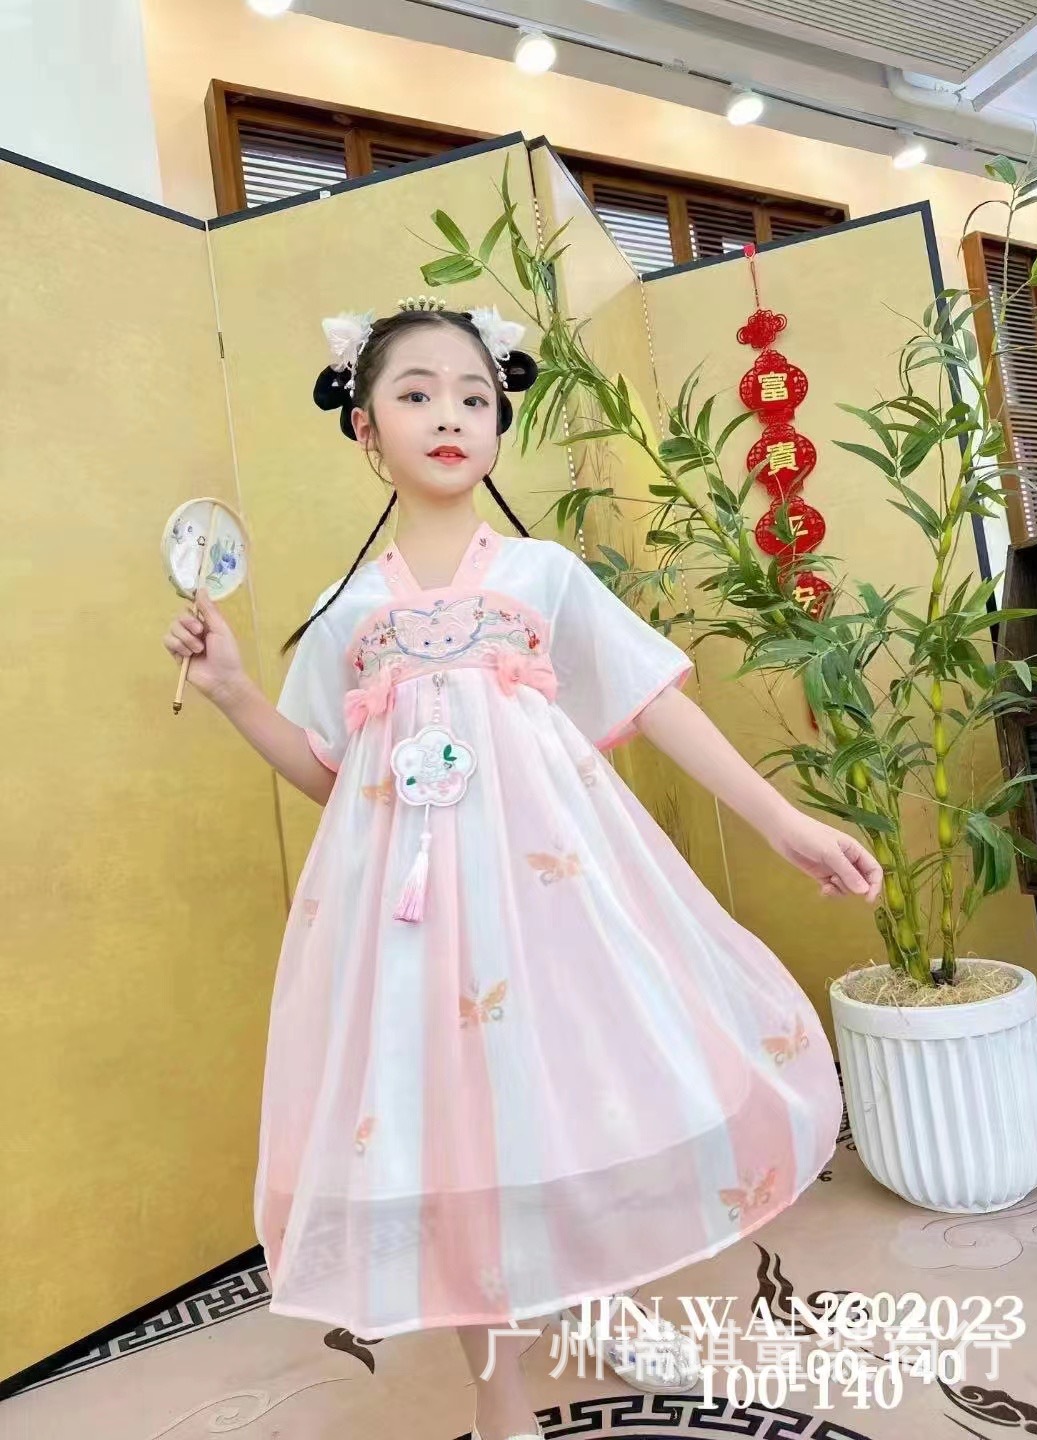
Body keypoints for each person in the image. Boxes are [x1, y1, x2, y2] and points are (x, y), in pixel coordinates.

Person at [163, 296, 883, 1440]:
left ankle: (597, 1291)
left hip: (552, 897)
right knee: (452, 1137)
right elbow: (332, 776)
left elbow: (656, 702)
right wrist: (237, 692)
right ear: (365, 427)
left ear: (499, 423)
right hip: (412, 922)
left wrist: (782, 821)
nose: (450, 416)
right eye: (416, 394)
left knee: (572, 1094)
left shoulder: (545, 574)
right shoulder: (349, 610)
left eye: (474, 397)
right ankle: (498, 1395)